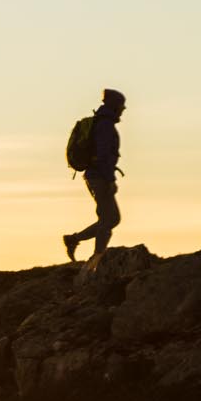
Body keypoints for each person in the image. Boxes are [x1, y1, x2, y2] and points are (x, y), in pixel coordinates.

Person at [64, 89, 125, 269]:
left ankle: (74, 240)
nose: (123, 110)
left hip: (95, 175)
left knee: (110, 218)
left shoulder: (102, 123)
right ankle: (97, 258)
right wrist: (110, 180)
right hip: (99, 176)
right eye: (121, 106)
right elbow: (103, 154)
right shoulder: (105, 125)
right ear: (115, 107)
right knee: (109, 218)